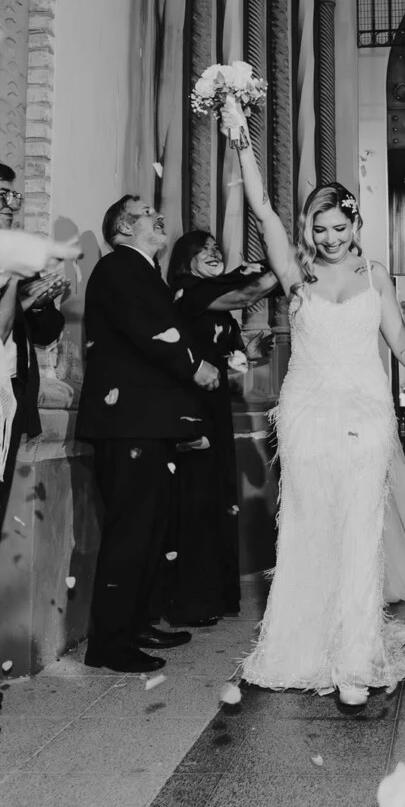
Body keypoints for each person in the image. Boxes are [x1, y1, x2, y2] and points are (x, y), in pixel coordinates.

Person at [228, 110, 405, 714]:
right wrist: (242, 138)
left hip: (366, 415)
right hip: (307, 415)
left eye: (338, 227)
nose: (329, 238)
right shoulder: (295, 275)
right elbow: (262, 209)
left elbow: (401, 343)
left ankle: (354, 658)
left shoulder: (374, 275)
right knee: (308, 528)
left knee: (358, 531)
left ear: (355, 224)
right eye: (319, 228)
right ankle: (298, 648)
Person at [77, 196, 221, 674]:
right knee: (131, 532)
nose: (158, 217)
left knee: (151, 531)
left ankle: (137, 624)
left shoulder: (145, 272)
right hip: (126, 425)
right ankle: (109, 644)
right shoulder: (120, 266)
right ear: (122, 227)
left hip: (146, 423)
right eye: (145, 214)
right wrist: (194, 366)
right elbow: (149, 328)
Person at [165, 232, 280, 623]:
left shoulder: (219, 310)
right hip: (189, 412)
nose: (214, 253)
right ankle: (191, 602)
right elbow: (245, 296)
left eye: (217, 248)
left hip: (217, 412)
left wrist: (249, 356)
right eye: (205, 250)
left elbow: (229, 371)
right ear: (187, 260)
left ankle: (216, 595)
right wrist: (283, 266)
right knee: (195, 503)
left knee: (218, 502)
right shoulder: (187, 293)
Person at [0, 162, 67, 527]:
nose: (11, 205)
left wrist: (42, 304)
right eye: (2, 195)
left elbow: (46, 332)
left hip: (11, 389)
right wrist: (23, 300)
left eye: (14, 196)